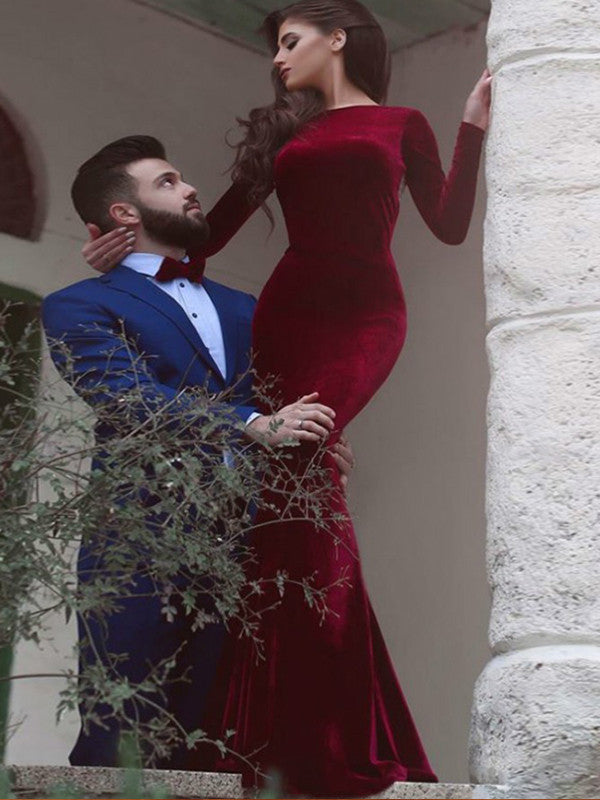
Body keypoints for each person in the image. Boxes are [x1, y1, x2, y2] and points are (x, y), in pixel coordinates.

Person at [84, 0, 491, 793]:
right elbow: (211, 241)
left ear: (338, 40)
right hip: (289, 311)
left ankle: (313, 729)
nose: (277, 58)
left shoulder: (403, 123)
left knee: (303, 481)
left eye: (291, 42)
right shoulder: (287, 132)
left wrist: (472, 126)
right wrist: (126, 260)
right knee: (292, 502)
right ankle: (285, 727)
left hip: (366, 314)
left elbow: (448, 224)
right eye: (275, 46)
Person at [42, 135, 353, 768]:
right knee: (121, 732)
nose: (189, 189)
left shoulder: (249, 307)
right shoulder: (76, 304)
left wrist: (318, 441)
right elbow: (126, 398)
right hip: (138, 541)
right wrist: (249, 424)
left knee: (225, 743)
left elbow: (288, 390)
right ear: (123, 214)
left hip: (250, 547)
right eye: (167, 181)